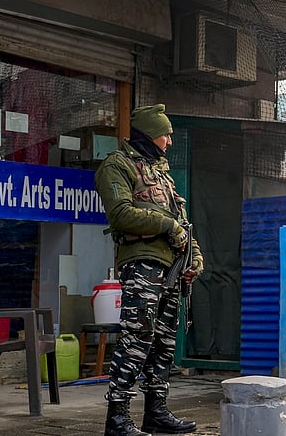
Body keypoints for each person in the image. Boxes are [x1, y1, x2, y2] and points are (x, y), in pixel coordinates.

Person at [95, 104, 204, 436]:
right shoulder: (117, 166)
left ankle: (156, 412)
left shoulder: (160, 173)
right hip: (142, 264)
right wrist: (169, 227)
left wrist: (195, 257)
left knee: (164, 342)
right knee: (136, 338)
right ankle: (117, 418)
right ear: (148, 133)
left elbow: (182, 222)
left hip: (172, 269)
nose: (169, 141)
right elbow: (121, 213)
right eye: (165, 134)